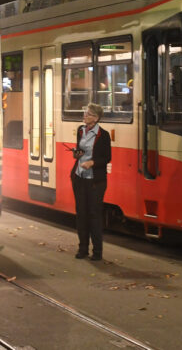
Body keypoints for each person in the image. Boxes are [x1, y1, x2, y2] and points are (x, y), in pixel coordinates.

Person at [70, 103, 112, 261]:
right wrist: (77, 154)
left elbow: (107, 157)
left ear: (95, 118)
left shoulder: (103, 135)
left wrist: (92, 163)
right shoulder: (81, 130)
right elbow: (80, 150)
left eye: (87, 114)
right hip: (79, 178)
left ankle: (97, 252)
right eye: (85, 113)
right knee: (81, 215)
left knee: (94, 215)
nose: (84, 115)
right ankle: (82, 249)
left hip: (95, 181)